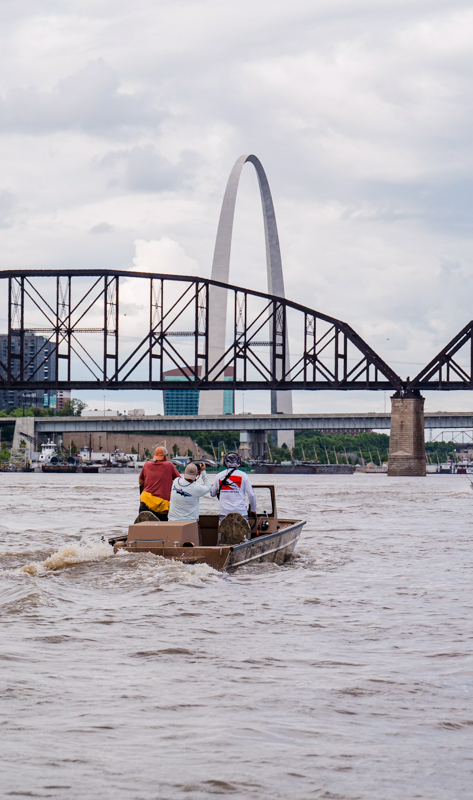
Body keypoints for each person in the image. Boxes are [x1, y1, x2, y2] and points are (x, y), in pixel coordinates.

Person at [211, 452, 257, 528]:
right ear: (239, 462)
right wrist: (253, 509)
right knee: (244, 537)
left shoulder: (219, 476)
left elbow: (212, 494)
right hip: (241, 513)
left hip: (224, 513)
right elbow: (251, 495)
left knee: (223, 536)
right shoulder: (244, 476)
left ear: (225, 462)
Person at [138, 446, 180, 521]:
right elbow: (180, 481)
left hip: (145, 503)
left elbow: (141, 482)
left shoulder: (147, 465)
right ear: (165, 457)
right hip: (161, 507)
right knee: (162, 530)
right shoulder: (169, 465)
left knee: (144, 528)